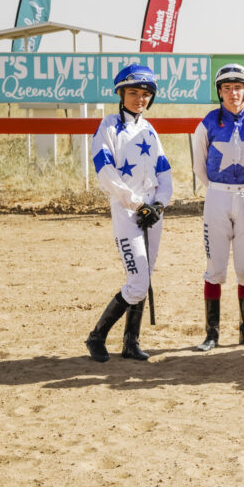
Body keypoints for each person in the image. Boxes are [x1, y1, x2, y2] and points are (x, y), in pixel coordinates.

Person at [85, 64, 172, 362]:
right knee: (137, 281)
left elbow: (165, 173)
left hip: (152, 212)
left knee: (144, 277)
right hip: (127, 211)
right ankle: (96, 336)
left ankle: (130, 343)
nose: (140, 99)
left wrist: (159, 203)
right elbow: (106, 173)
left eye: (145, 94)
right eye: (133, 92)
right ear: (121, 93)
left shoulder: (149, 130)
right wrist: (137, 204)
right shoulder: (108, 127)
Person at [191, 63, 244, 351]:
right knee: (215, 266)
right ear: (219, 92)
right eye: (226, 88)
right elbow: (198, 167)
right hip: (217, 196)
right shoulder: (207, 123)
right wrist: (218, 190)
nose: (232, 93)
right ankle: (211, 333)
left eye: (237, 87)